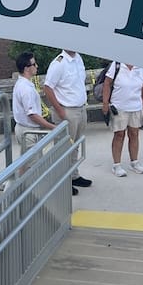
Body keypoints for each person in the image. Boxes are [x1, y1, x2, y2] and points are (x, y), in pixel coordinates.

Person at [43, 49, 92, 192]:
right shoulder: (59, 63)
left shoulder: (78, 58)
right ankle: (62, 181)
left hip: (80, 108)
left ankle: (73, 175)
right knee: (64, 148)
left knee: (75, 144)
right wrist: (59, 110)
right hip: (67, 110)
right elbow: (48, 87)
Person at [100, 62, 143, 177]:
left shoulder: (140, 67)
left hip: (136, 106)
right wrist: (105, 103)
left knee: (134, 134)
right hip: (119, 107)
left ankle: (134, 162)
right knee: (119, 135)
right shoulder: (116, 65)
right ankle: (116, 165)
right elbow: (107, 83)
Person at [12, 52, 56, 151]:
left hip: (27, 129)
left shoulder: (24, 84)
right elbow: (32, 115)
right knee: (33, 163)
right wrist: (51, 126)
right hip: (28, 131)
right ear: (26, 68)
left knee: (28, 163)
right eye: (34, 64)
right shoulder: (25, 88)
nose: (37, 66)